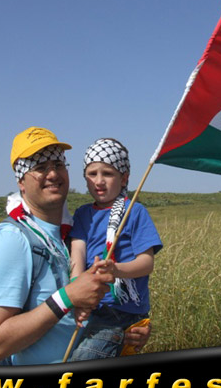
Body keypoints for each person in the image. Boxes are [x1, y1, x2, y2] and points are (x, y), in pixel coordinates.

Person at [0, 127, 150, 365]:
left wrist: (124, 332)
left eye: (58, 164)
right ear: (21, 181)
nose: (53, 174)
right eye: (40, 167)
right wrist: (67, 297)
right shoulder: (10, 240)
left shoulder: (70, 234)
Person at [69, 138, 163, 361]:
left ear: (124, 178)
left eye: (108, 174)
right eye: (92, 173)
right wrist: (77, 294)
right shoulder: (82, 214)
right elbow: (77, 254)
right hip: (93, 304)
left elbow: (146, 263)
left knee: (83, 359)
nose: (99, 181)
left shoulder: (135, 211)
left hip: (122, 311)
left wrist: (116, 270)